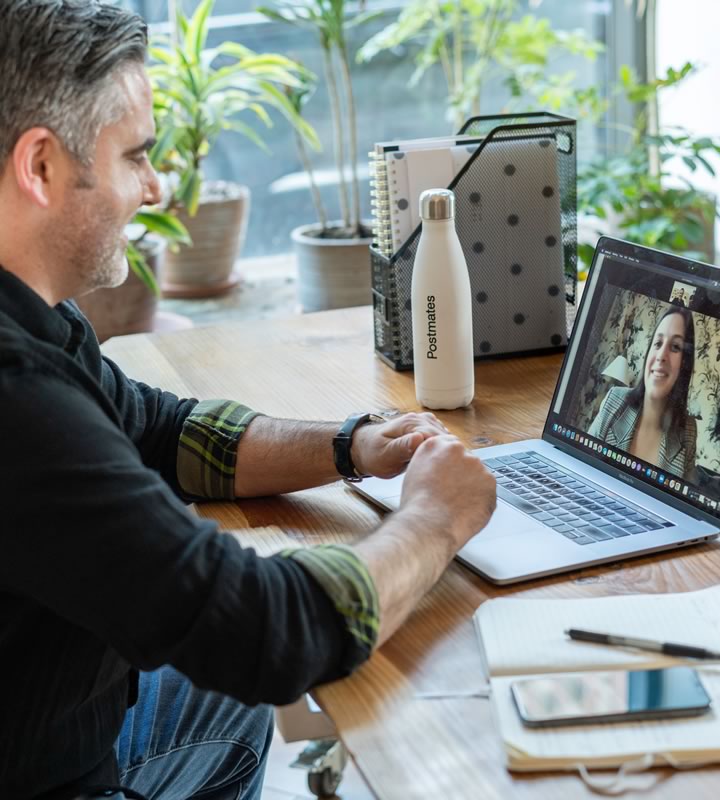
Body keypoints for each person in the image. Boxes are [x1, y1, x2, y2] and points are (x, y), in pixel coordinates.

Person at [0, 3, 497, 798]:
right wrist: (437, 518)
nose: (154, 186)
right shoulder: (19, 402)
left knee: (226, 698)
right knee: (261, 668)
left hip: (48, 717)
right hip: (46, 777)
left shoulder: (34, 319)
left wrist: (351, 444)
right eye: (135, 157)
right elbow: (269, 631)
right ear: (42, 166)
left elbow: (159, 429)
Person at [588, 306, 697, 480]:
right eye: (658, 343)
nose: (662, 355)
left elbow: (683, 500)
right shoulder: (614, 400)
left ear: (684, 364)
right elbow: (582, 462)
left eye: (675, 347)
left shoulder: (688, 431)